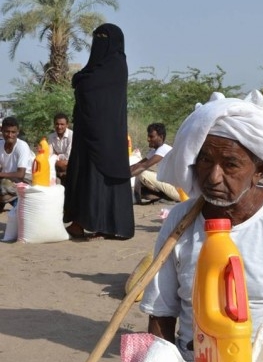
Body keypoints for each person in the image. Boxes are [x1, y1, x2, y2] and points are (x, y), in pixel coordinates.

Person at [139, 90, 263, 362]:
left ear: (259, 170)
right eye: (205, 160)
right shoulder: (180, 220)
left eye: (230, 164)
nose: (214, 177)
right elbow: (161, 313)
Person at [63, 23, 134, 240]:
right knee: (85, 176)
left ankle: (92, 224)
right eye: (97, 37)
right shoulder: (100, 67)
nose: (98, 43)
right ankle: (85, 223)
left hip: (104, 136)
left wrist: (80, 80)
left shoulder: (115, 66)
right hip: (89, 133)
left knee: (95, 177)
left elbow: (90, 88)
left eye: (103, 38)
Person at [130, 123, 180, 203]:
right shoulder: (154, 151)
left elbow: (143, 166)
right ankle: (160, 197)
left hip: (178, 191)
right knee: (141, 173)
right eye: (148, 136)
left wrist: (122, 177)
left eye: (151, 136)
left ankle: (137, 199)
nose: (148, 139)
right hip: (171, 187)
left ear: (161, 137)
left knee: (141, 173)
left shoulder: (164, 149)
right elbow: (138, 164)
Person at [0, 116, 33, 212]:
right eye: (7, 131)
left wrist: (1, 174)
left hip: (26, 179)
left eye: (13, 132)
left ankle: (18, 206)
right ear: (2, 131)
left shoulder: (22, 146)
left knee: (4, 185)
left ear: (18, 132)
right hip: (10, 177)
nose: (10, 135)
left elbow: (21, 174)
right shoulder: (1, 144)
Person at [48, 112, 73, 186]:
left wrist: (56, 155)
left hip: (70, 163)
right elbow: (49, 155)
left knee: (62, 164)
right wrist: (57, 157)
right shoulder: (51, 136)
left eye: (62, 124)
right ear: (54, 124)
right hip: (58, 164)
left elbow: (68, 156)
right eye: (57, 124)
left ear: (67, 125)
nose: (59, 127)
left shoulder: (72, 135)